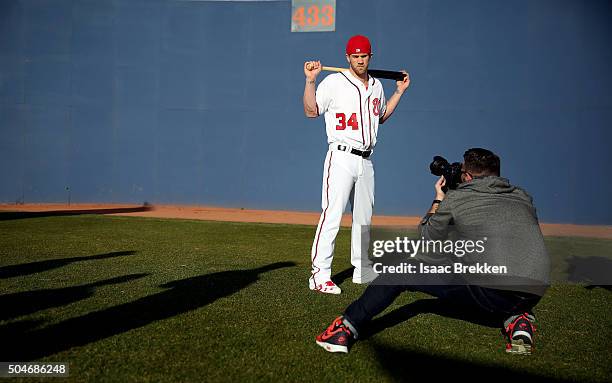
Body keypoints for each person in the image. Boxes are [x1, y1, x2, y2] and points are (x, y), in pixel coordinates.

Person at [315, 148, 550, 354]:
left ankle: (344, 328)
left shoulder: (458, 198)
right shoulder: (522, 195)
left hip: (491, 291)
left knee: (401, 270)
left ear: (467, 176)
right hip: (533, 289)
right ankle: (519, 318)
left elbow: (427, 238)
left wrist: (439, 199)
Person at [303, 35, 410, 294]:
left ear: (370, 57)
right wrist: (310, 80)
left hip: (366, 159)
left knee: (363, 219)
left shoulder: (376, 86)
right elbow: (311, 111)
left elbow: (381, 117)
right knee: (332, 215)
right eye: (355, 56)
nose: (360, 60)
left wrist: (399, 92)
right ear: (347, 57)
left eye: (364, 56)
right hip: (340, 156)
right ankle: (319, 275)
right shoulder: (334, 82)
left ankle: (362, 270)